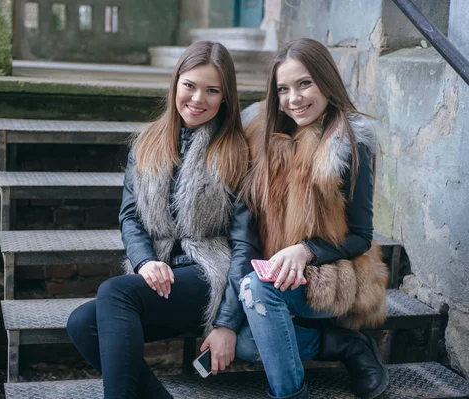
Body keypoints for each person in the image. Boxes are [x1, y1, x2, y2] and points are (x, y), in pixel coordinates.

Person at [66, 41, 258, 398]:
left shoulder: (236, 152)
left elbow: (246, 242)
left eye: (212, 90)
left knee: (115, 292)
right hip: (160, 272)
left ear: (225, 97)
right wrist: (145, 261)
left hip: (209, 275)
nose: (198, 99)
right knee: (82, 323)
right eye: (190, 85)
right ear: (175, 84)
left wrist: (227, 323)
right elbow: (130, 216)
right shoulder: (147, 143)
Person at [235, 38, 390, 399]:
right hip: (277, 274)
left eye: (305, 83)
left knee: (254, 290)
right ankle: (344, 345)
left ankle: (292, 394)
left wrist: (305, 251)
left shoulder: (349, 141)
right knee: (245, 344)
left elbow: (361, 236)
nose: (294, 99)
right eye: (283, 89)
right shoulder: (261, 136)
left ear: (326, 80)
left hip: (332, 274)